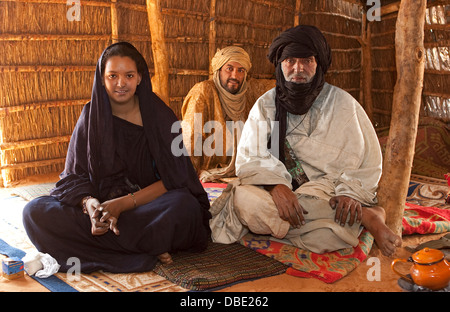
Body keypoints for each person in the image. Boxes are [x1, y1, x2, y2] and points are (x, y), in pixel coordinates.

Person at [210, 25, 402, 257]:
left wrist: (350, 193)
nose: (297, 68)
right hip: (281, 192)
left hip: (328, 191)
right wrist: (275, 185)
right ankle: (363, 216)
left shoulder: (343, 103)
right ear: (280, 65)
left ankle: (347, 216)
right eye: (290, 60)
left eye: (307, 61)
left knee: (321, 231)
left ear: (318, 64)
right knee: (245, 200)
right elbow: (250, 155)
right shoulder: (266, 104)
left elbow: (368, 158)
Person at [23, 42, 211, 273]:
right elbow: (73, 176)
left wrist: (122, 204)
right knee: (35, 212)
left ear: (140, 78)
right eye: (112, 75)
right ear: (102, 78)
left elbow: (176, 178)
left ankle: (112, 248)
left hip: (148, 207)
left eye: (128, 75)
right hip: (102, 209)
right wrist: (91, 206)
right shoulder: (91, 115)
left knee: (184, 207)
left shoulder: (161, 116)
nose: (120, 83)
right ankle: (144, 247)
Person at [181, 46, 275, 182]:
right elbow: (189, 138)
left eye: (240, 70)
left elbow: (277, 88)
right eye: (229, 69)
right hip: (210, 173)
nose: (235, 76)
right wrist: (188, 178)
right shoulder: (203, 91)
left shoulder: (250, 92)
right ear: (218, 70)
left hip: (244, 172)